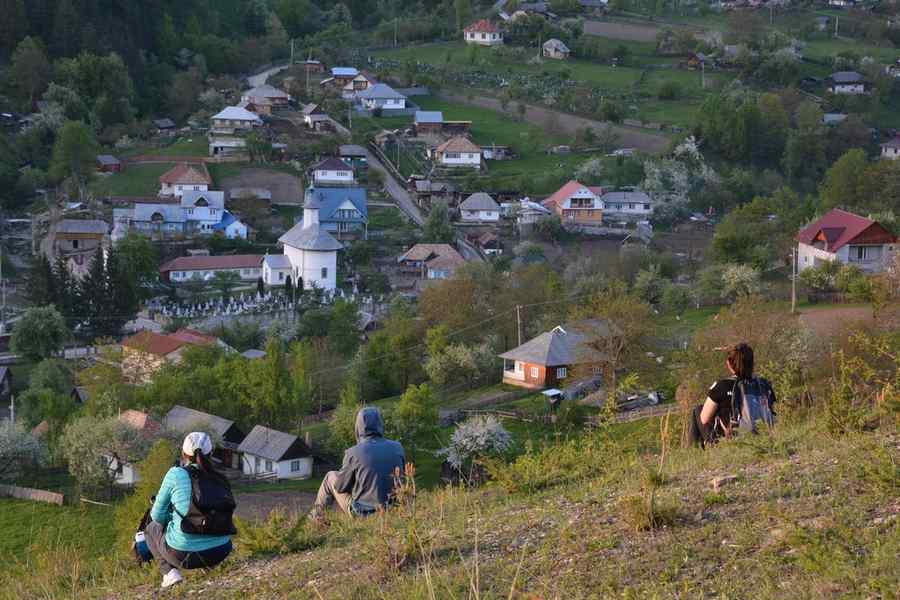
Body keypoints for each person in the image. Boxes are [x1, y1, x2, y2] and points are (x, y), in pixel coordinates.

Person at [145, 432, 234, 589]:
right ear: (211, 453)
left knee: (151, 529)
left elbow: (157, 515)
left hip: (184, 556)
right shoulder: (220, 478)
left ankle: (170, 574)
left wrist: (171, 520)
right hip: (222, 549)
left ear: (183, 453)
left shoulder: (176, 474)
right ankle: (210, 565)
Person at [311, 406, 405, 520]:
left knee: (330, 477)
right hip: (393, 510)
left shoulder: (353, 452)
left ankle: (316, 519)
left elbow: (340, 487)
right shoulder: (397, 447)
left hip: (363, 514)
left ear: (358, 427)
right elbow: (402, 479)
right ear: (380, 424)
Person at [689, 343, 777, 448]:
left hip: (733, 440)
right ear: (752, 363)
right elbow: (773, 409)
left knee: (698, 410)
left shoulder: (722, 385)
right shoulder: (764, 384)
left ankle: (695, 451)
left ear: (729, 364)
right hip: (763, 435)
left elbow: (704, 419)